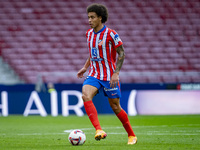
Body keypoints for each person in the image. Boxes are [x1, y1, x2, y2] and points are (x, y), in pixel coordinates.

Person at [77, 3, 137, 145]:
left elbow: (121, 52)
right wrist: (85, 67)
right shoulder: (89, 34)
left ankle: (131, 135)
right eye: (88, 17)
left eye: (92, 17)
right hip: (94, 74)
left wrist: (116, 73)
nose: (89, 20)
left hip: (109, 76)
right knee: (85, 95)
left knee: (115, 107)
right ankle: (99, 130)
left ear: (100, 18)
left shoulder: (111, 34)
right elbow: (92, 54)